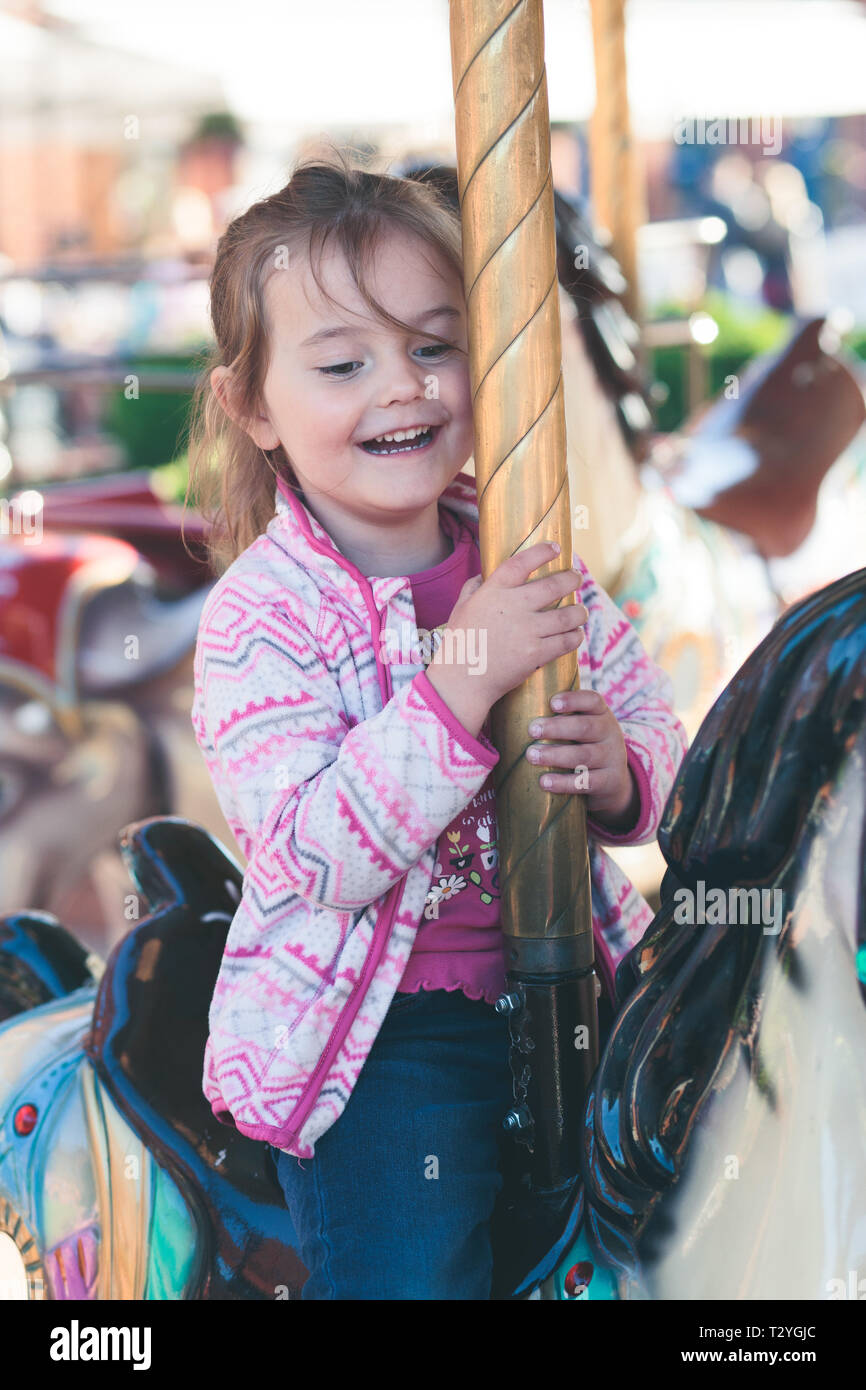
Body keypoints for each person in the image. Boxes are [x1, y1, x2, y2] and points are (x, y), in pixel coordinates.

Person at [186, 151, 688, 1300]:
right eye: (343, 363)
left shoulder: (525, 551)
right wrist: (463, 673)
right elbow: (315, 853)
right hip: (378, 1050)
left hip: (579, 989)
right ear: (251, 407)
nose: (400, 387)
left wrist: (617, 773)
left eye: (431, 344)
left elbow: (652, 720)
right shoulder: (263, 617)